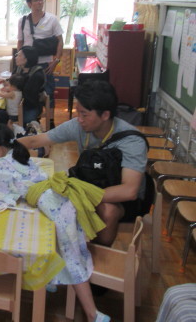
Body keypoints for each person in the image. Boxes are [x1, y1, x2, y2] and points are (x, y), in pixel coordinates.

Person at [0, 124, 110, 322]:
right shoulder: (20, 156)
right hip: (61, 199)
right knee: (62, 247)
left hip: (55, 206)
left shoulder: (1, 164)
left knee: (72, 259)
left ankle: (93, 315)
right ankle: (52, 278)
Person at [18, 80, 150, 247]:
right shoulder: (80, 126)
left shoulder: (131, 141)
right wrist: (1, 147)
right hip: (93, 185)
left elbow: (129, 190)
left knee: (107, 210)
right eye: (77, 112)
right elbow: (35, 140)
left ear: (105, 115)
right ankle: (58, 245)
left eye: (84, 114)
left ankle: (96, 253)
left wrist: (81, 197)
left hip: (125, 199)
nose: (79, 119)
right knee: (49, 195)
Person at [17, 0, 63, 128]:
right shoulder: (23, 21)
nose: (39, 2)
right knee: (28, 93)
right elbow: (20, 41)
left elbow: (60, 41)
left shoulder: (52, 19)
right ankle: (33, 119)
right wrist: (19, 60)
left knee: (48, 92)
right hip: (28, 65)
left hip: (46, 64)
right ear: (29, 4)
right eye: (36, 0)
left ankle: (50, 122)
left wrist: (56, 60)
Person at [14, 46, 45, 126]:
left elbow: (29, 97)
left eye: (19, 55)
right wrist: (6, 82)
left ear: (26, 59)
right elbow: (12, 82)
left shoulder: (37, 75)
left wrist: (13, 88)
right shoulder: (19, 69)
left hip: (31, 106)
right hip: (19, 103)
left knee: (25, 121)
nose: (16, 57)